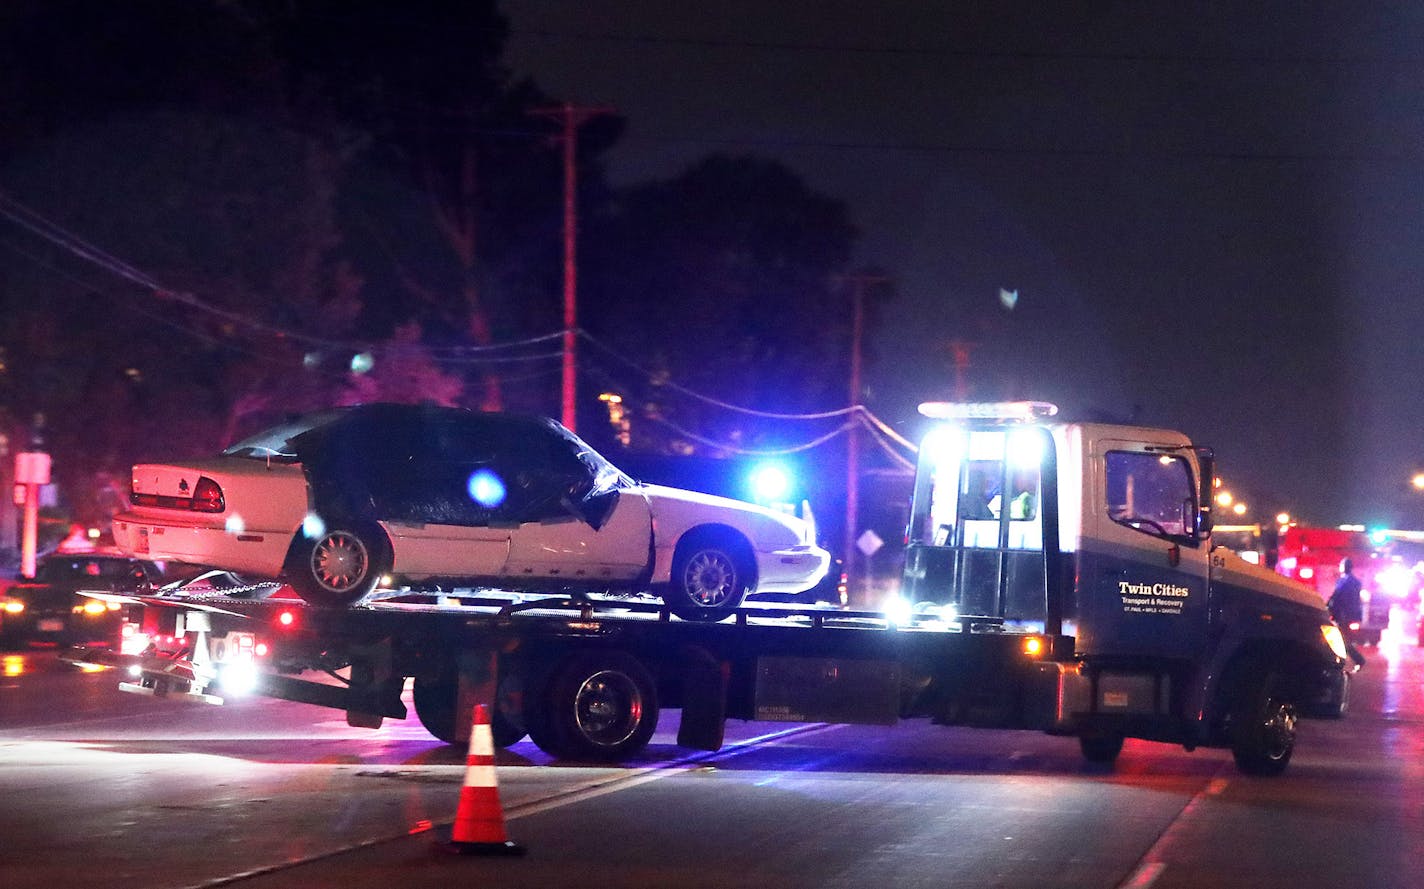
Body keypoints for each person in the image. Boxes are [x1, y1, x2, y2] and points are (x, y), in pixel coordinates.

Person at [1327, 557, 1368, 669]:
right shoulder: (1356, 582)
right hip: (1353, 615)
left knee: (1340, 639)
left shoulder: (1342, 581)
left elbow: (1337, 597)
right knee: (1343, 639)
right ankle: (1350, 660)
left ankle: (1355, 660)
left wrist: (1330, 608)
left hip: (1343, 615)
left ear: (1344, 567)